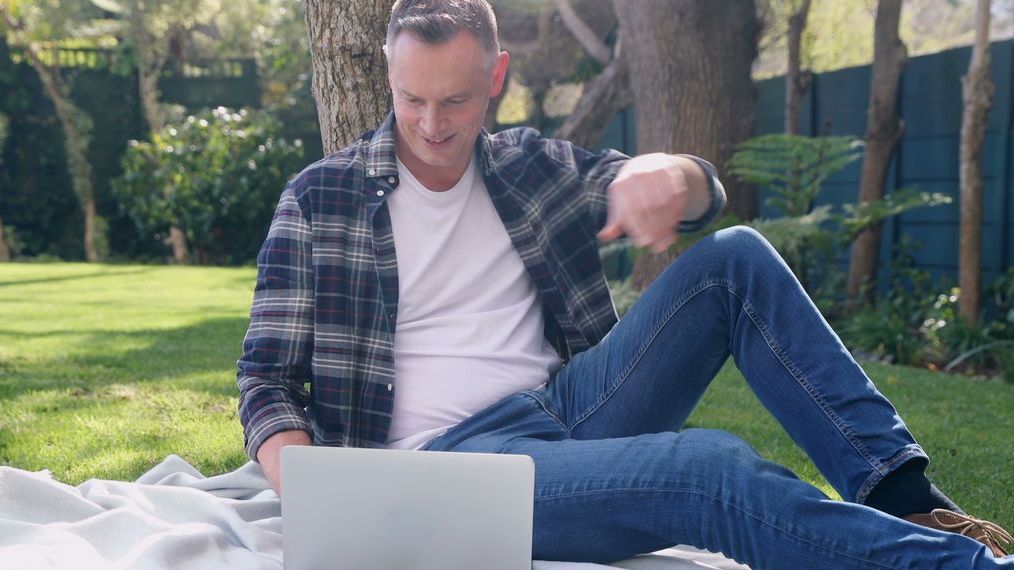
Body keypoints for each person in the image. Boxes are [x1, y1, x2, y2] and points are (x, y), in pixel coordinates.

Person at [236, 0, 1014, 566]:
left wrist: (664, 172)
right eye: (412, 100)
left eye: (456, 100)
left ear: (496, 76)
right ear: (389, 77)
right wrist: (308, 481)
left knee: (736, 257)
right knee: (704, 468)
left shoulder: (529, 168)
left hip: (572, 405)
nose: (433, 124)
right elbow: (265, 378)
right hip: (451, 468)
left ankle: (911, 503)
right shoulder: (320, 198)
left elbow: (700, 196)